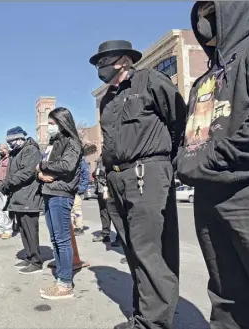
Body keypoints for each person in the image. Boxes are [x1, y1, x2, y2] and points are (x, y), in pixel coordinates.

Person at [176, 2, 249, 328]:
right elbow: (190, 137)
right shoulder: (203, 80)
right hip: (207, 195)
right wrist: (183, 161)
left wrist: (209, 160)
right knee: (226, 294)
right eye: (199, 13)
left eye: (212, 11)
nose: (203, 21)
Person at [89, 39, 186, 329]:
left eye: (104, 61)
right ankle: (144, 313)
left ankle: (154, 323)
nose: (99, 67)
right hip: (117, 177)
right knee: (133, 250)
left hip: (147, 171)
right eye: (97, 63)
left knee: (149, 249)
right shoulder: (108, 98)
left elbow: (178, 119)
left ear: (124, 61)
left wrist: (171, 165)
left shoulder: (150, 80)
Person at [36, 107, 82, 300]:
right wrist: (39, 174)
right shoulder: (53, 144)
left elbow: (67, 165)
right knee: (55, 239)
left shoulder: (72, 142)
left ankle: (65, 283)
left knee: (62, 240)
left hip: (61, 194)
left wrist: (42, 167)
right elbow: (41, 166)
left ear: (63, 123)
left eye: (54, 123)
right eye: (49, 123)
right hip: (48, 193)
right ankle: (60, 280)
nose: (51, 127)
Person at [0, 127, 43, 274]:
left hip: (28, 197)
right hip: (19, 197)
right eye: (9, 142)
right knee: (23, 231)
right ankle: (29, 256)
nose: (11, 145)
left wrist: (8, 183)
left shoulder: (30, 150)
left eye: (12, 141)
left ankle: (36, 262)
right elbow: (12, 173)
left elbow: (27, 173)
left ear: (20, 138)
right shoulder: (16, 153)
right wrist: (6, 185)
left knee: (30, 230)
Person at [91, 154, 119, 246]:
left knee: (115, 212)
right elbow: (99, 170)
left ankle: (120, 237)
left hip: (109, 188)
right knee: (103, 211)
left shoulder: (113, 153)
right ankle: (105, 234)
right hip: (100, 189)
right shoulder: (101, 156)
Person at [72, 158, 89, 236]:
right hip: (70, 189)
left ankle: (79, 228)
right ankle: (73, 227)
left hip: (77, 190)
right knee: (71, 210)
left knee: (76, 209)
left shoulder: (82, 162)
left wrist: (81, 189)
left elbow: (86, 176)